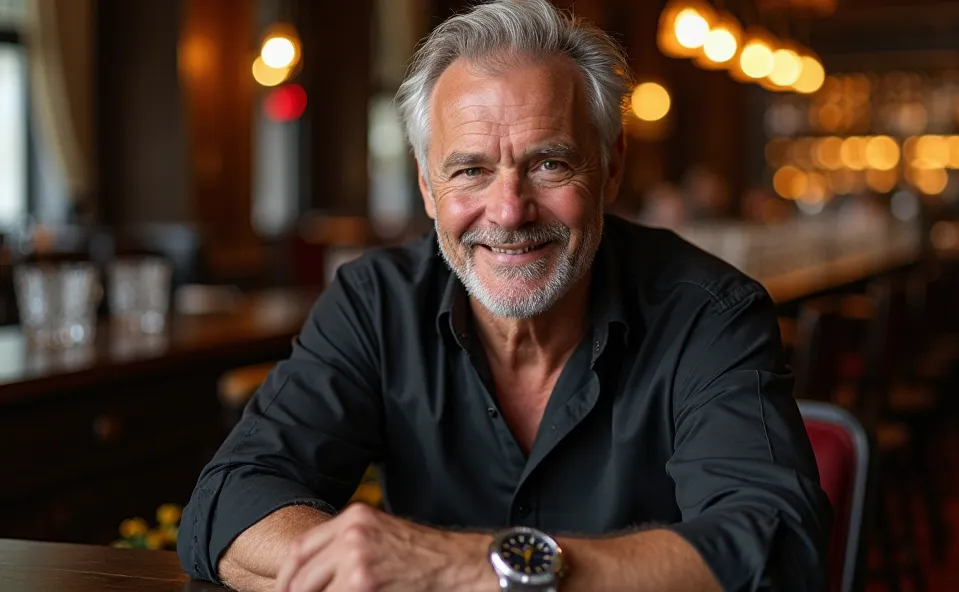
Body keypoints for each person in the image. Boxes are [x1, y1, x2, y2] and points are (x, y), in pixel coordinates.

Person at [178, 1, 831, 590]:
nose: (509, 210)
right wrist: (351, 563)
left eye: (550, 163)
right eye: (470, 170)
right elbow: (229, 503)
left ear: (612, 167)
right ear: (428, 189)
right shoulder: (375, 301)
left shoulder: (709, 311)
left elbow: (778, 544)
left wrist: (473, 567)